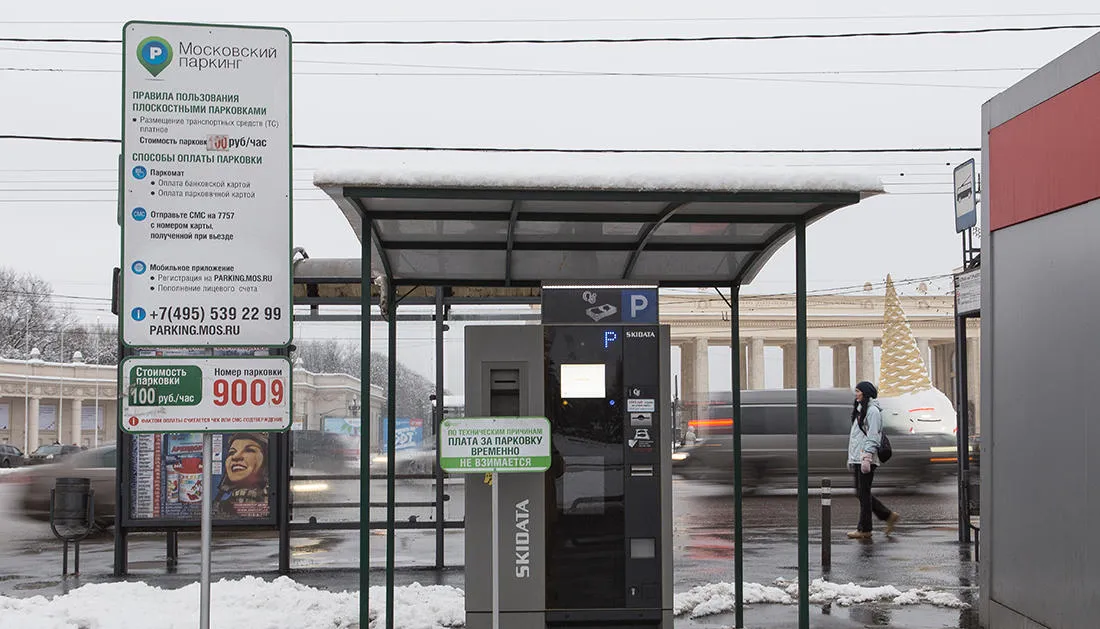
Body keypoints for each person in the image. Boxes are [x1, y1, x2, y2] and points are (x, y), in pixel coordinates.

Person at [847, 381, 900, 539]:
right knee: (862, 493)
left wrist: (867, 456)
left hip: (866, 458)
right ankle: (887, 516)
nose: (856, 394)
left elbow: (873, 435)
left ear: (865, 393)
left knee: (863, 493)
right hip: (859, 457)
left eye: (858, 391)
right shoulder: (861, 410)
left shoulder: (872, 411)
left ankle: (865, 529)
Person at [214, 433, 270, 518]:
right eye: (231, 452)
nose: (235, 456)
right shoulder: (217, 509)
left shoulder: (278, 503)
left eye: (249, 450)